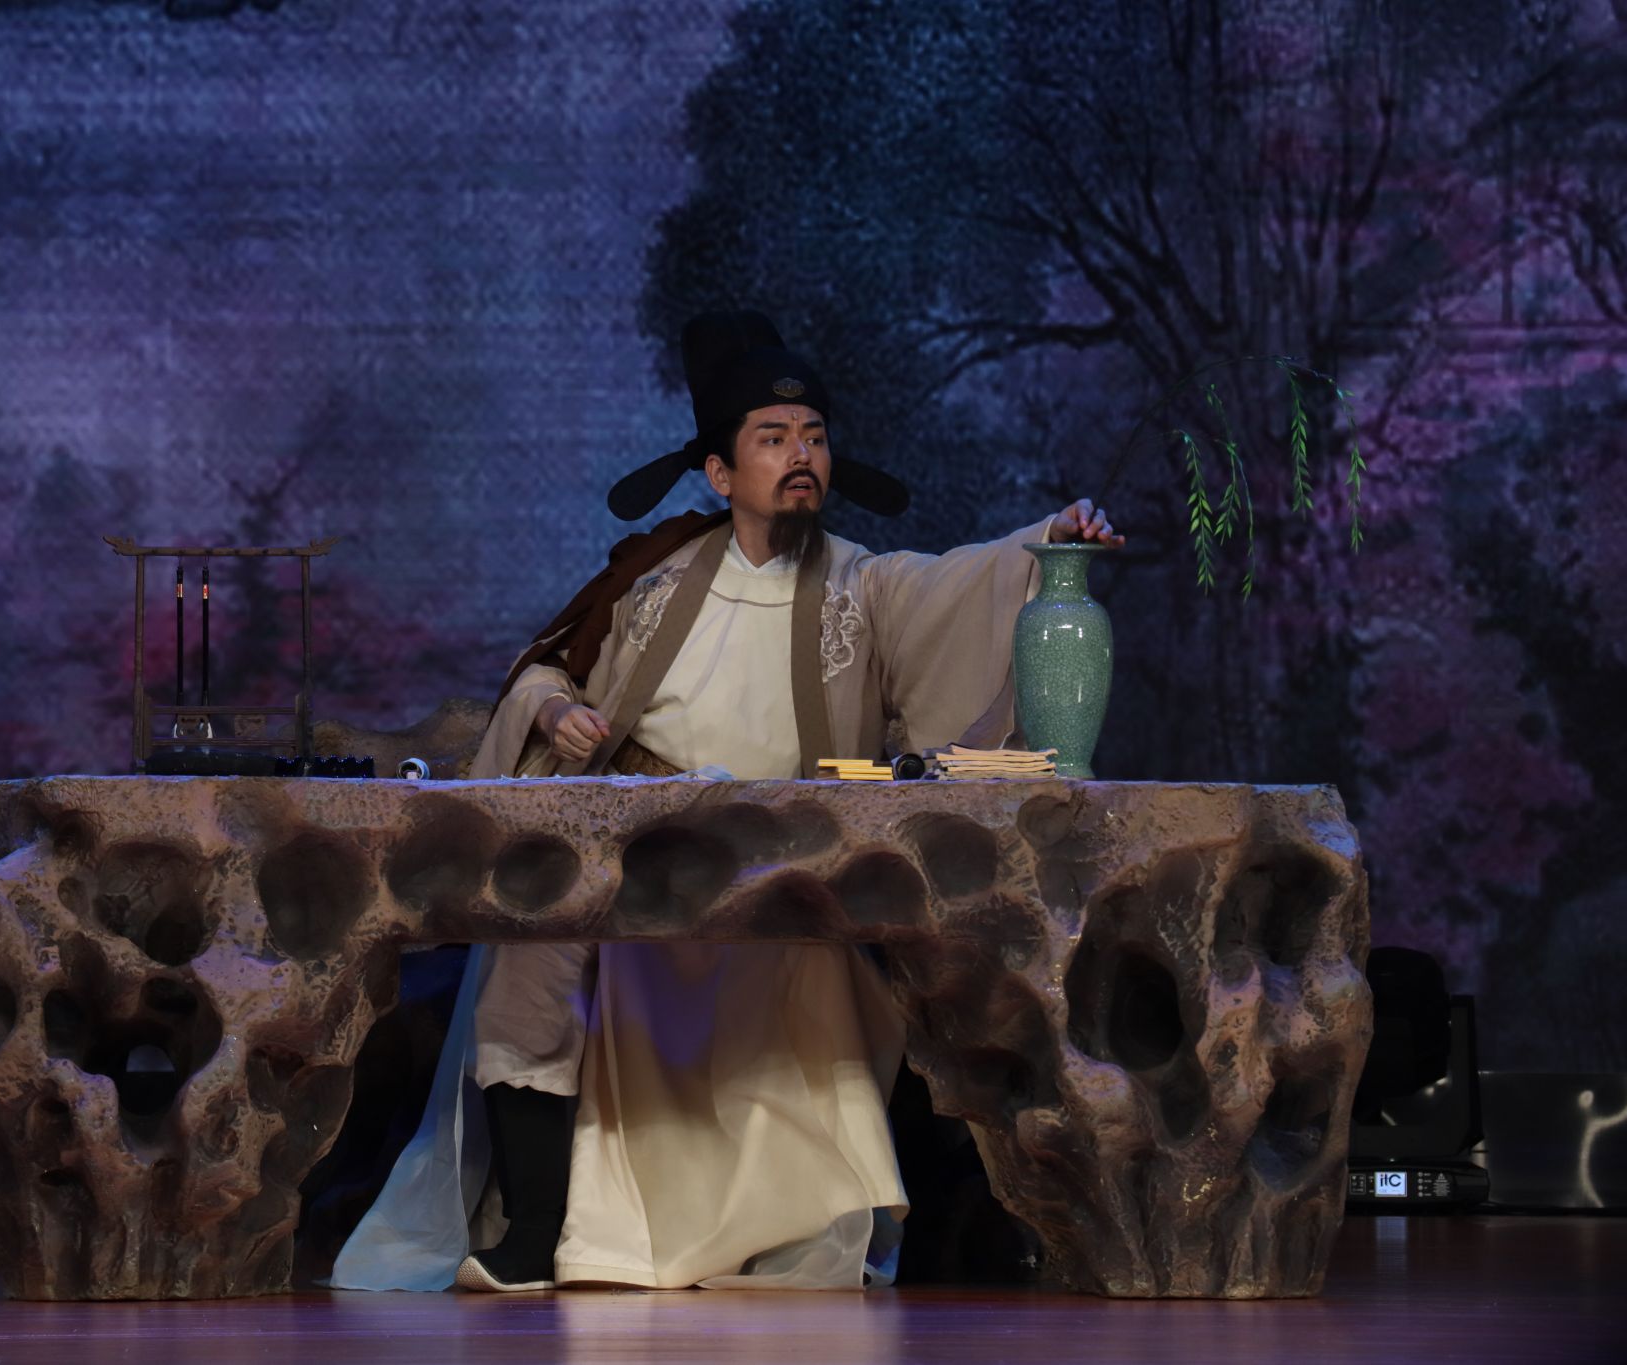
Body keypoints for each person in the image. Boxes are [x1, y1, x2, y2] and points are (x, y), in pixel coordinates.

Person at [331, 311, 1122, 1295]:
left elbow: (961, 581)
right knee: (529, 953)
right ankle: (538, 1222)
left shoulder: (863, 584)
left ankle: (780, 1223)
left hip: (784, 863)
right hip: (635, 852)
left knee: (819, 966)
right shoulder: (653, 578)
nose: (801, 457)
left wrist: (1047, 541)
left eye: (814, 438)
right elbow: (545, 669)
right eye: (773, 438)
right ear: (719, 473)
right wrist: (557, 712)